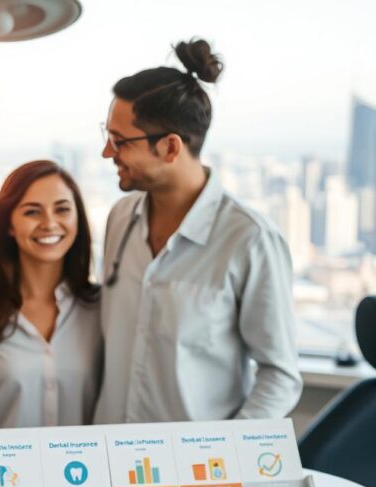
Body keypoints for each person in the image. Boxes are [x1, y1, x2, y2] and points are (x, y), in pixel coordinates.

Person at [93, 38, 302, 424]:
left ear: (171, 148)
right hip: (109, 462)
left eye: (119, 141)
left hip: (195, 475)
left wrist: (223, 455)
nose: (107, 152)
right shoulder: (120, 218)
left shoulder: (250, 240)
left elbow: (281, 377)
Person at [0, 160, 102, 428]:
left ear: (77, 219)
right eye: (32, 212)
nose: (49, 223)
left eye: (62, 210)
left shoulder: (102, 309)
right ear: (9, 224)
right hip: (4, 471)